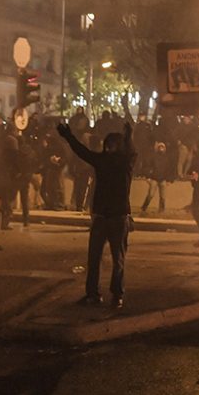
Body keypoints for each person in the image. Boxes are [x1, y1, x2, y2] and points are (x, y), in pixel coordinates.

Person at [57, 119, 136, 308]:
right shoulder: (120, 162)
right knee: (103, 259)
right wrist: (128, 135)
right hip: (108, 216)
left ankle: (106, 294)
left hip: (113, 216)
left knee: (107, 259)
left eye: (112, 144)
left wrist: (68, 136)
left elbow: (82, 152)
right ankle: (105, 294)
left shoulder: (121, 162)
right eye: (107, 144)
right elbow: (82, 152)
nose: (108, 147)